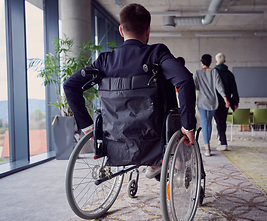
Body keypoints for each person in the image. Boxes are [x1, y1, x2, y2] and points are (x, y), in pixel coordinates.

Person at [63, 3, 196, 179]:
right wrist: (188, 125)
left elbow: (70, 85)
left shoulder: (104, 61)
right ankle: (168, 163)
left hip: (115, 136)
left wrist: (88, 127)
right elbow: (184, 80)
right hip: (155, 136)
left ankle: (156, 163)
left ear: (120, 30)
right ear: (148, 30)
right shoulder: (156, 53)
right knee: (165, 78)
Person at [193, 54, 230, 157]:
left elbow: (195, 86)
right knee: (208, 123)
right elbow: (219, 86)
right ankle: (207, 143)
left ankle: (207, 147)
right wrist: (225, 98)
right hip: (213, 102)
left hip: (201, 102)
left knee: (205, 123)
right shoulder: (214, 72)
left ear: (202, 62)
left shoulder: (197, 72)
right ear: (211, 62)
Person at [214, 53, 239, 151]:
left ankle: (223, 142)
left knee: (218, 121)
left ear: (216, 62)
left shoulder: (213, 72)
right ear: (224, 62)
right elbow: (234, 89)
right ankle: (222, 140)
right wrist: (236, 101)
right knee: (222, 121)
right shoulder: (229, 74)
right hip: (226, 102)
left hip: (215, 101)